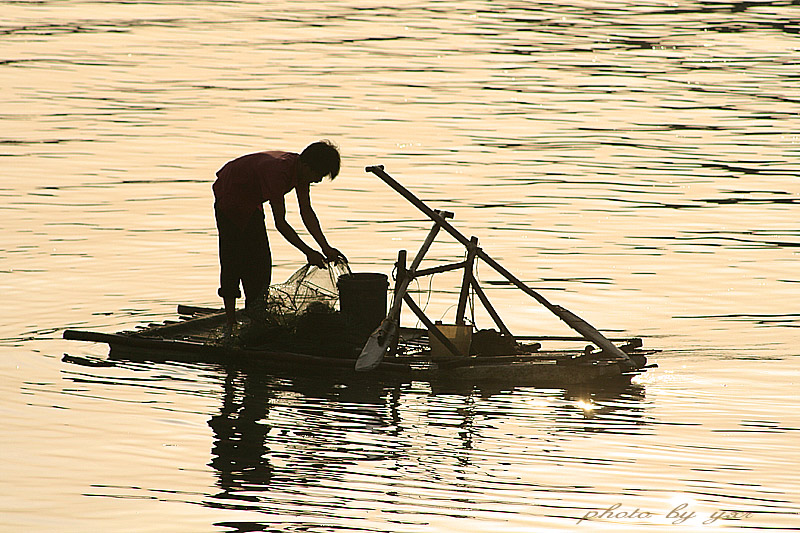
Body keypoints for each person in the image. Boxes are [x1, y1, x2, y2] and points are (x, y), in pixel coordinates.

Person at [213, 140, 346, 337]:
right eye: (318, 175)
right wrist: (309, 253)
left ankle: (255, 316)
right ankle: (231, 321)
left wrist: (326, 248)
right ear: (307, 166)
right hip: (230, 197)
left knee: (261, 264)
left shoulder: (300, 173)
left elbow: (306, 211)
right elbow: (281, 223)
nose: (317, 180)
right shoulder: (279, 173)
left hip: (252, 201)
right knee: (234, 259)